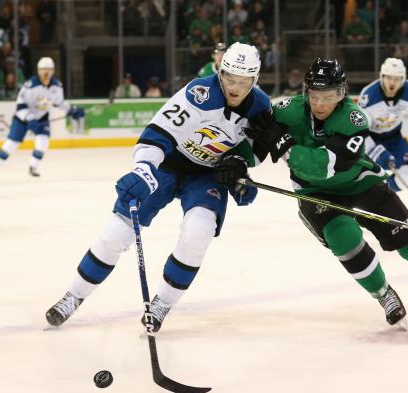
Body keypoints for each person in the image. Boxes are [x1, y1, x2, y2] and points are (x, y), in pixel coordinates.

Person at [239, 58, 408, 328]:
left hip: (361, 182)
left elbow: (325, 167)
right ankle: (384, 294)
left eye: (328, 96)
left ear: (341, 94)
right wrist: (236, 162)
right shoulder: (286, 110)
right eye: (314, 96)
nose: (319, 104)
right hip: (315, 194)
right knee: (345, 239)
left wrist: (284, 144)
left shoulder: (354, 119)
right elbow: (252, 141)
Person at [45, 43, 270, 332]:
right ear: (221, 72)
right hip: (168, 165)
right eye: (230, 79)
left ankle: (163, 303)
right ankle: (72, 296)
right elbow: (159, 133)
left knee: (197, 235)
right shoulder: (200, 93)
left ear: (255, 79)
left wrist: (239, 166)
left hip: (206, 175)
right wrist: (143, 169)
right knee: (116, 232)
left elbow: (254, 148)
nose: (235, 88)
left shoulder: (262, 106)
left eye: (243, 82)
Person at [0, 57, 85, 178]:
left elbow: (59, 103)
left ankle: (33, 166)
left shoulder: (57, 86)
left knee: (42, 144)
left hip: (42, 118)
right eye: (43, 69)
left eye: (49, 69)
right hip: (22, 119)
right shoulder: (29, 86)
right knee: (11, 145)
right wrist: (30, 119)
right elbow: (20, 106)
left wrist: (72, 110)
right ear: (38, 70)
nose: (46, 72)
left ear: (53, 71)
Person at [356, 58, 408, 192]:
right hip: (372, 141)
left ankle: (383, 192)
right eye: (389, 78)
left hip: (395, 139)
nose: (392, 83)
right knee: (362, 178)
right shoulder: (368, 96)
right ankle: (371, 192)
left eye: (397, 79)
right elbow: (358, 130)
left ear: (403, 79)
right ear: (382, 76)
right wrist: (374, 152)